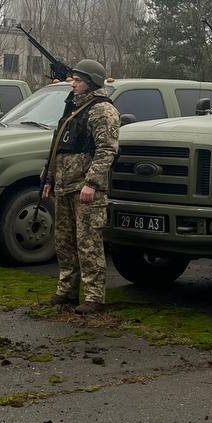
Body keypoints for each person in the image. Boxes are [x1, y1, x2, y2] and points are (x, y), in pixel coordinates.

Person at [40, 59, 119, 315]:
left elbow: (106, 150)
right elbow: (58, 148)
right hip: (64, 186)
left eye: (78, 80)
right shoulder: (73, 108)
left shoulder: (102, 110)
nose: (73, 84)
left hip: (85, 189)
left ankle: (94, 296)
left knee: (88, 243)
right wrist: (49, 180)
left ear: (91, 83)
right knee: (64, 243)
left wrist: (92, 183)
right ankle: (66, 291)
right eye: (73, 79)